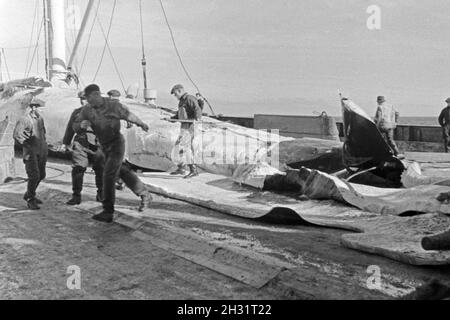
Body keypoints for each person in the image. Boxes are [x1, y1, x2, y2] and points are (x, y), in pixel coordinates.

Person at [74, 84, 151, 223]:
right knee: (121, 171)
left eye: (89, 98)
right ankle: (144, 193)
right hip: (103, 146)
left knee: (108, 174)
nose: (87, 101)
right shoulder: (87, 110)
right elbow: (76, 124)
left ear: (97, 94)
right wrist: (81, 126)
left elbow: (128, 115)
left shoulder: (113, 105)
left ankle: (108, 211)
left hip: (116, 143)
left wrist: (141, 123)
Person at [61, 91, 104, 205]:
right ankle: (76, 196)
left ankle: (101, 193)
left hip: (97, 145)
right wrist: (66, 142)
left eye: (85, 99)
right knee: (78, 169)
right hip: (80, 144)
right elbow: (70, 128)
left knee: (100, 170)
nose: (82, 101)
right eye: (81, 99)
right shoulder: (76, 112)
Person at [13, 98, 48, 210]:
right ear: (33, 107)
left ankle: (29, 193)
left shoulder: (40, 119)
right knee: (34, 176)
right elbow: (17, 135)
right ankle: (30, 199)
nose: (40, 110)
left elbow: (43, 134)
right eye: (38, 107)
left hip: (41, 152)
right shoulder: (24, 119)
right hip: (31, 154)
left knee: (41, 175)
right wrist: (28, 147)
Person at [167, 84, 202, 179]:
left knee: (185, 148)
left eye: (175, 94)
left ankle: (193, 170)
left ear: (179, 91)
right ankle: (181, 168)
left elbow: (197, 109)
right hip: (184, 126)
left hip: (190, 126)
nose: (175, 96)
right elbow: (180, 114)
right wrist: (172, 118)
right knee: (178, 147)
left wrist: (198, 118)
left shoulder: (189, 98)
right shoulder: (181, 101)